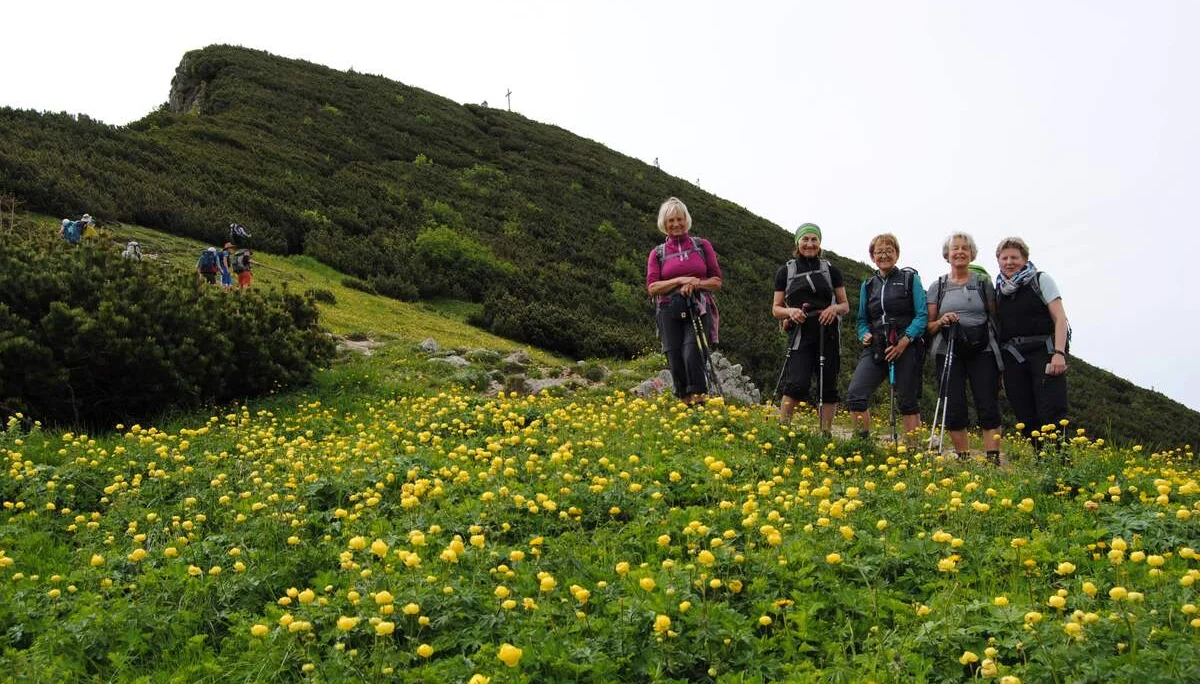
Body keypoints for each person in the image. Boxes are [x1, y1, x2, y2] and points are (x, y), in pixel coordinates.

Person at [926, 233, 1002, 463]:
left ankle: (993, 458)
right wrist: (941, 321)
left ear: (971, 254)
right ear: (947, 255)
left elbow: (995, 318)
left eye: (964, 248)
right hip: (947, 350)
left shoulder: (983, 283)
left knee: (987, 403)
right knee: (954, 405)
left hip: (983, 349)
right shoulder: (937, 286)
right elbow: (928, 327)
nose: (959, 252)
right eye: (955, 248)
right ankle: (963, 458)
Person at [845, 233, 928, 440]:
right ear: (872, 257)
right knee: (856, 395)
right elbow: (862, 319)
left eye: (889, 251)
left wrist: (904, 341)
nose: (884, 256)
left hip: (905, 345)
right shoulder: (868, 285)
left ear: (897, 255)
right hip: (876, 346)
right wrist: (864, 335)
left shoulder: (910, 279)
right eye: (879, 252)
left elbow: (922, 315)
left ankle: (912, 451)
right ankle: (862, 443)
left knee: (908, 402)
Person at [994, 237, 1070, 450]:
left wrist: (1059, 353)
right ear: (998, 261)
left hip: (1044, 352)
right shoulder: (999, 289)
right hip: (1013, 357)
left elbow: (1060, 318)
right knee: (1025, 414)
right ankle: (1041, 463)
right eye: (1004, 258)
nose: (1009, 262)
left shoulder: (1040, 280)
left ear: (1025, 259)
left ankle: (1060, 465)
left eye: (1014, 257)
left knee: (1051, 411)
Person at [772, 223, 849, 431]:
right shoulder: (785, 271)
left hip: (828, 332)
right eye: (805, 239)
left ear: (819, 243)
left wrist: (833, 309)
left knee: (828, 385)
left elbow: (845, 305)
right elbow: (776, 308)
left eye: (814, 239)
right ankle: (783, 428)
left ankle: (825, 433)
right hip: (800, 332)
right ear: (797, 242)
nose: (809, 244)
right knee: (798, 382)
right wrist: (791, 312)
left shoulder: (830, 269)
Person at [646, 197, 723, 405]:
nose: (676, 224)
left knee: (693, 352)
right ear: (665, 223)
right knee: (674, 356)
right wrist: (680, 281)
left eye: (680, 219)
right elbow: (652, 287)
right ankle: (684, 403)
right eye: (671, 220)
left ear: (686, 220)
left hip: (698, 307)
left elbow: (716, 281)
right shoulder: (658, 253)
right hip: (668, 309)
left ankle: (699, 401)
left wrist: (695, 284)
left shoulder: (701, 245)